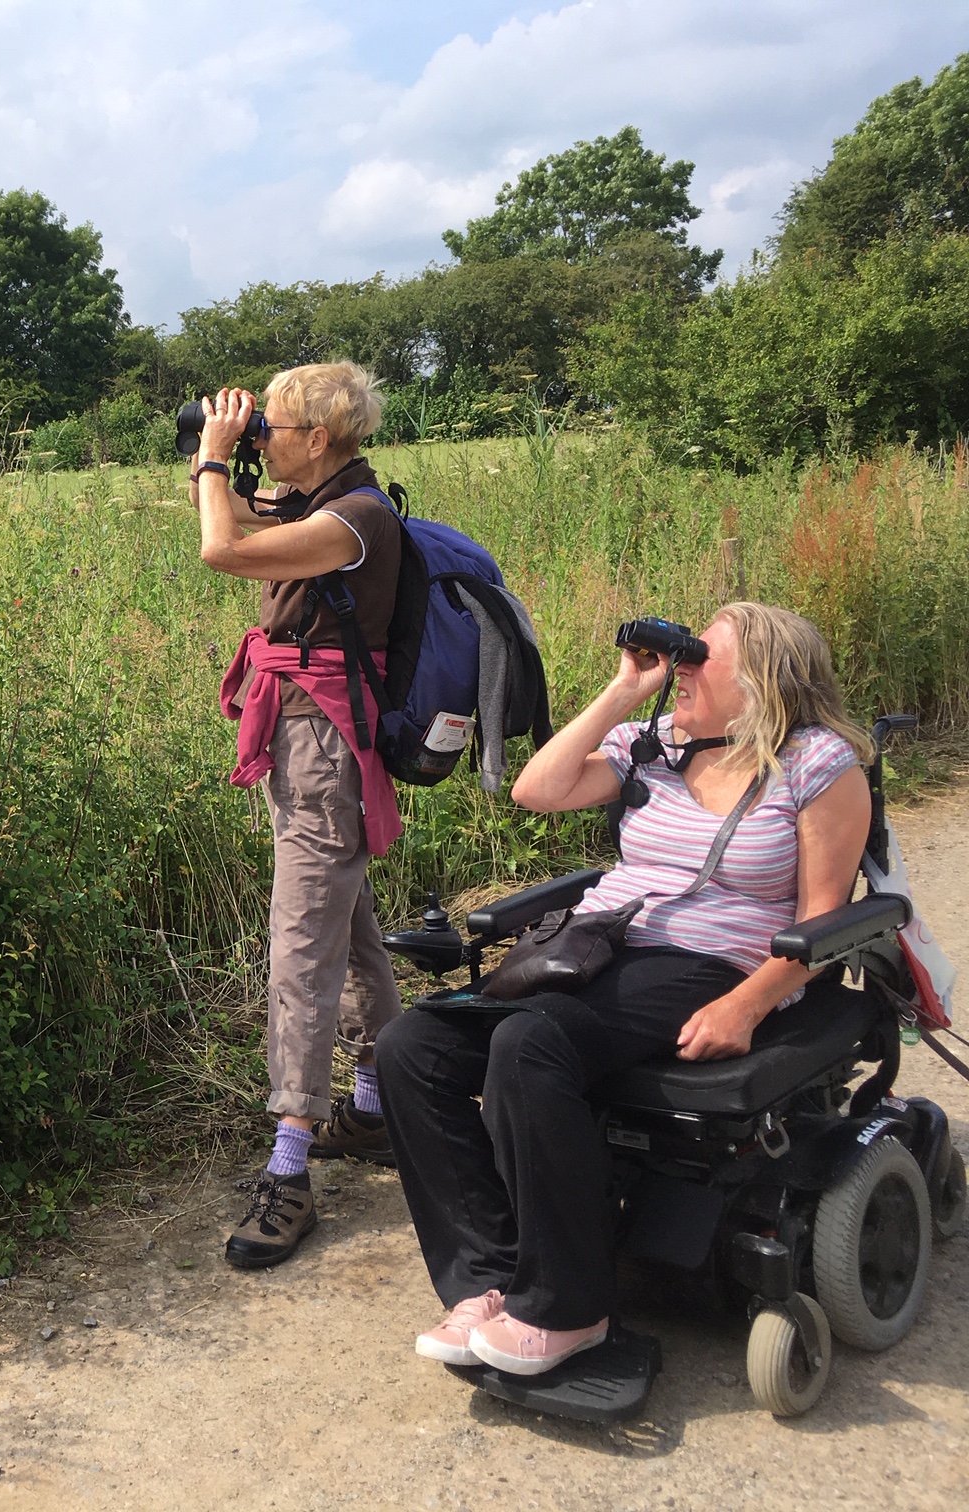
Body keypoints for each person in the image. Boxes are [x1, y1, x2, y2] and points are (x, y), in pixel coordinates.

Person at [376, 602, 874, 1375]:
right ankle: (489, 1281)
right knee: (413, 1047)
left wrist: (748, 1004)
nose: (680, 667)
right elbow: (536, 790)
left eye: (698, 657)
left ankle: (569, 1310)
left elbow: (823, 921)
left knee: (529, 1044)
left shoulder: (815, 765)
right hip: (602, 943)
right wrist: (623, 692)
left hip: (716, 962)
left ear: (763, 679)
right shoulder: (654, 743)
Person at [192, 363, 405, 1271]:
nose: (258, 436)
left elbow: (222, 551)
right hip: (310, 740)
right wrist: (224, 465)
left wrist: (210, 458)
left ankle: (289, 1173)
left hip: (327, 748)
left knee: (300, 951)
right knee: (348, 933)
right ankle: (380, 1107)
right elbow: (241, 521)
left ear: (318, 437)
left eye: (270, 426)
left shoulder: (356, 520)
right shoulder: (327, 504)